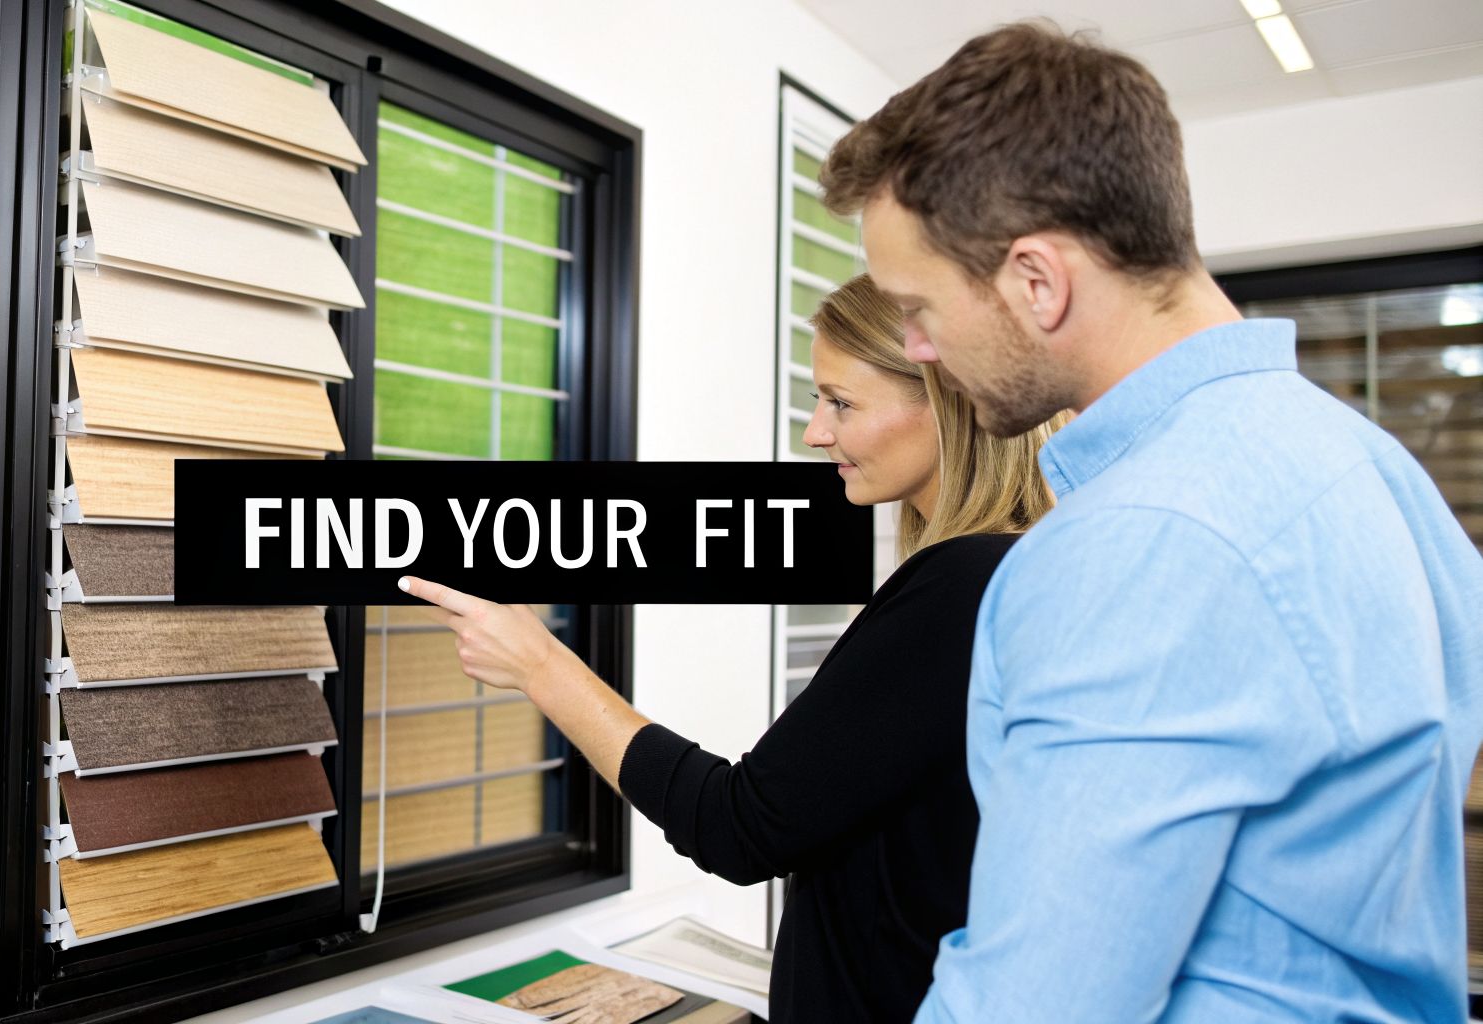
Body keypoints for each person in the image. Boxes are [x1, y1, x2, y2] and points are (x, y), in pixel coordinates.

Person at [814, 21, 1483, 1024]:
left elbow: (1035, 1005)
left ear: (1034, 281)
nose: (914, 345)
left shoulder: (1135, 541)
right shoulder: (1374, 470)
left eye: (917, 309)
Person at [399, 273, 1063, 1022]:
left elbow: (740, 826)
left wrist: (540, 664)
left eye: (842, 403)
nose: (816, 432)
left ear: (946, 406)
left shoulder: (961, 585)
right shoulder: (1023, 566)